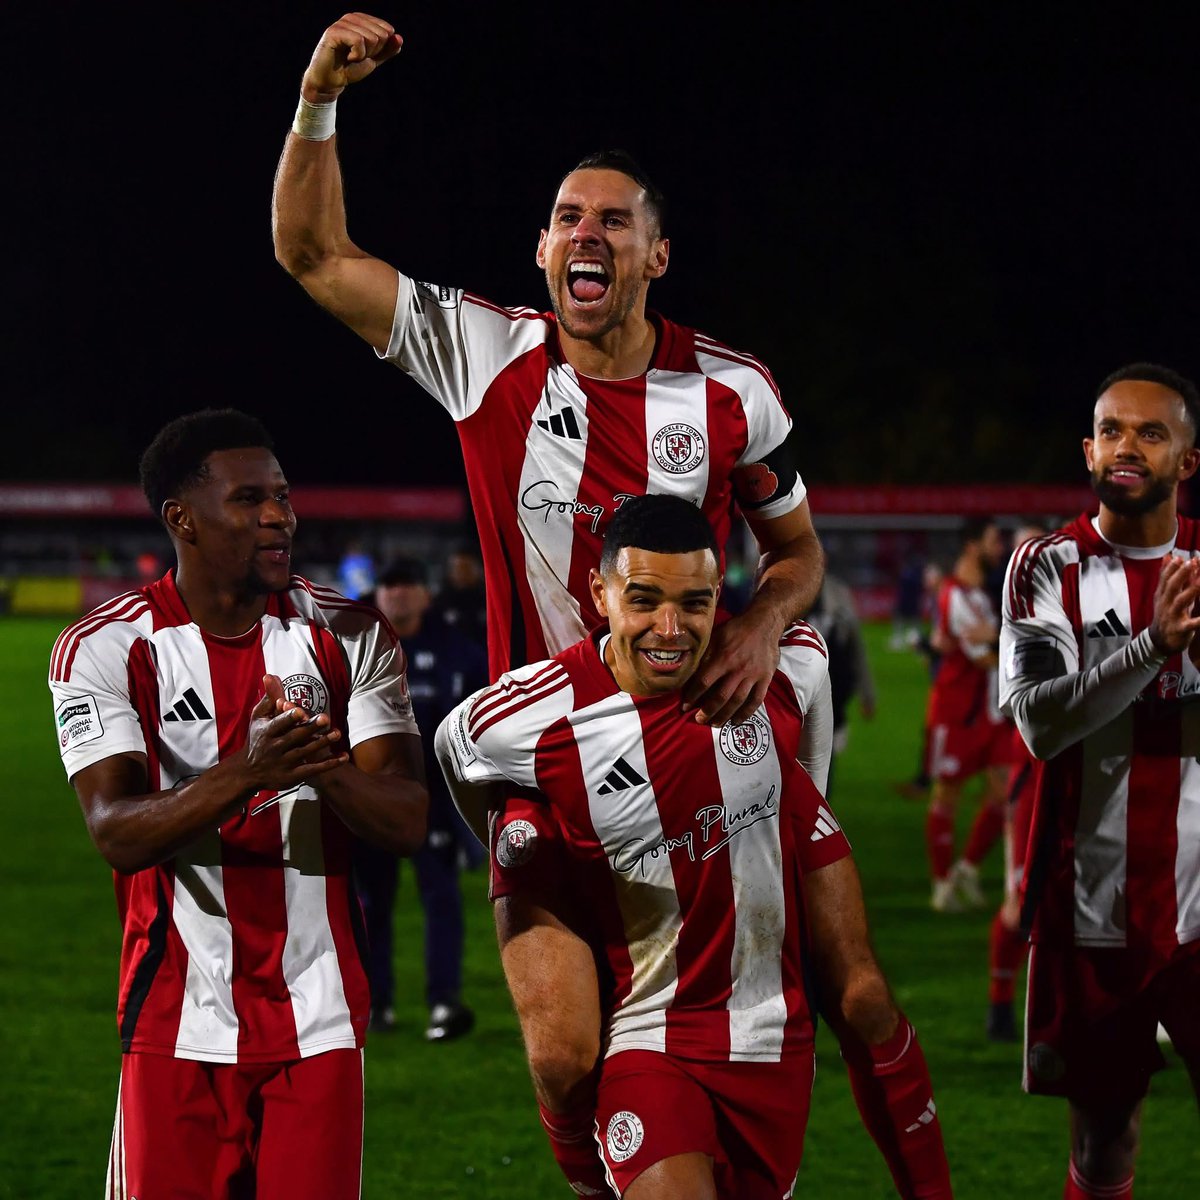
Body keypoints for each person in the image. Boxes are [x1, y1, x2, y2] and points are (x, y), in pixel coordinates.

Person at [272, 12, 825, 729]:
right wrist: (318, 99)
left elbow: (798, 547)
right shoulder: (485, 352)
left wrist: (762, 622)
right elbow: (312, 254)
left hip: (689, 741)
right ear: (543, 249)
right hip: (541, 754)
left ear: (658, 257)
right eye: (568, 218)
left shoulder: (734, 389)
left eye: (615, 221)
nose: (586, 231)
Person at [436, 495, 951, 1198]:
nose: (670, 630)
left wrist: (802, 801)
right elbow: (455, 746)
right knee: (563, 1059)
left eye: (695, 604)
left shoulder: (776, 661)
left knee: (866, 1002)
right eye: (642, 600)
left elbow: (813, 674)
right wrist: (515, 848)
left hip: (771, 1029)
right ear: (601, 593)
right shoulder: (539, 713)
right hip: (650, 1032)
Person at [47, 408, 428, 1197]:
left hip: (318, 1017)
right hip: (174, 1021)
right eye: (249, 499)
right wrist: (248, 772)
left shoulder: (350, 635)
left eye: (283, 497)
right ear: (181, 519)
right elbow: (115, 833)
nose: (278, 517)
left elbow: (407, 818)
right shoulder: (106, 649)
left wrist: (324, 772)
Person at [999, 362, 1200, 1199]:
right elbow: (1042, 724)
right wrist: (1153, 649)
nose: (1127, 447)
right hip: (1091, 906)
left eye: (1151, 433)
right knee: (1106, 1138)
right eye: (1112, 429)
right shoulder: (1046, 566)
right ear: (1087, 447)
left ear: (1187, 460)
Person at [353, 556, 487, 1039]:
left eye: (407, 584)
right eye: (390, 586)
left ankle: (444, 1004)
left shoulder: (459, 652)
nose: (398, 594)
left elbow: (479, 724)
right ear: (378, 596)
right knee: (370, 902)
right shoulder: (353, 650)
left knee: (442, 897)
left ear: (425, 595)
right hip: (372, 799)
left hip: (434, 798)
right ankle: (374, 1004)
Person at [923, 517, 1012, 912]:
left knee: (1003, 794)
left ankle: (968, 868)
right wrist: (1022, 652)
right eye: (994, 540)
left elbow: (991, 651)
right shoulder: (955, 595)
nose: (1001, 548)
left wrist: (1004, 640)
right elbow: (982, 660)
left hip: (989, 714)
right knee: (947, 798)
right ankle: (941, 884)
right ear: (973, 546)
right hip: (957, 714)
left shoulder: (979, 596)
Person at [984, 521, 1047, 1043]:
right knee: (1019, 903)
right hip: (1034, 782)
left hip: (1084, 781)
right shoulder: (1021, 631)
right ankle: (1001, 1005)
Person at [805, 570, 877, 799]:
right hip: (796, 692)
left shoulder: (840, 594)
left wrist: (868, 694)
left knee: (825, 757)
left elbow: (856, 647)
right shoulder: (785, 590)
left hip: (833, 692)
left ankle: (818, 811)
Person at [430, 537, 488, 646]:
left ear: (478, 570)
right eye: (457, 569)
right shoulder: (440, 602)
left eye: (466, 568)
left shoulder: (488, 601)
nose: (462, 574)